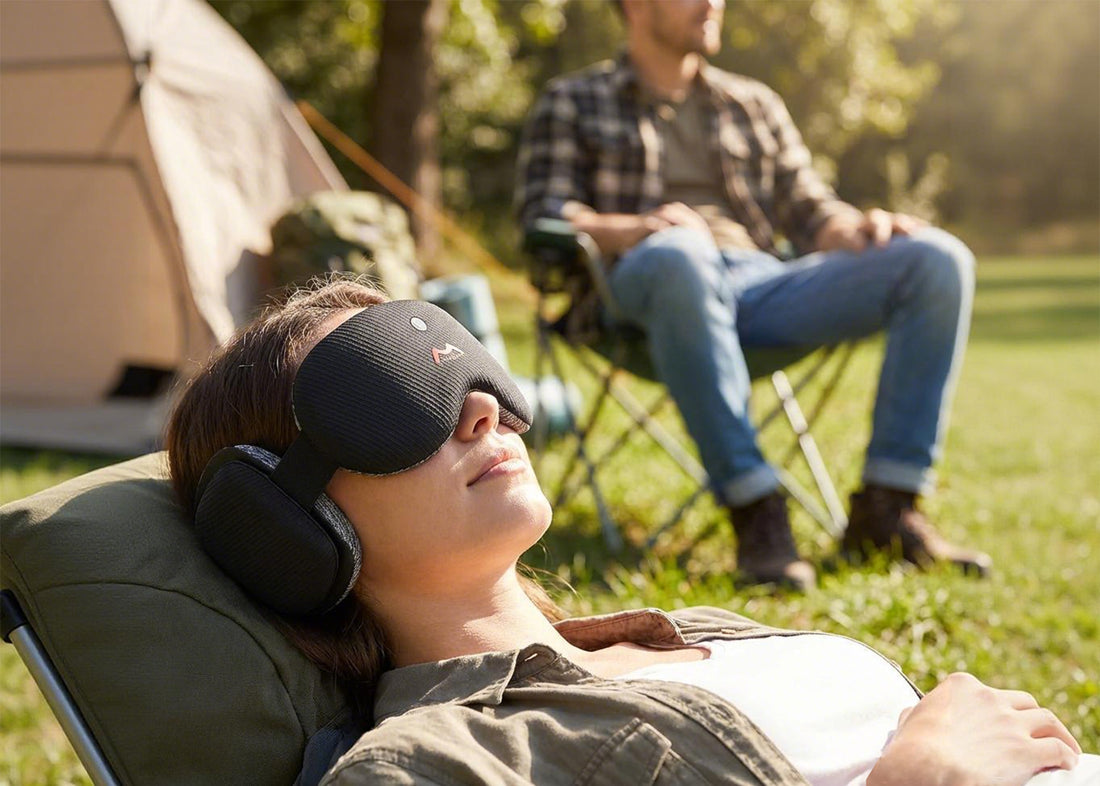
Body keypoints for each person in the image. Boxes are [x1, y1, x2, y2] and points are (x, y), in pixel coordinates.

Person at [165, 278, 1095, 786]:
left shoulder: (693, 633)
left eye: (459, 367)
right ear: (281, 527)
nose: (482, 410)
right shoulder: (447, 761)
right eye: (391, 398)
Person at [515, 0, 992, 591]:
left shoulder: (752, 103)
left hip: (759, 286)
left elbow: (813, 211)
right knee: (679, 254)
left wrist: (862, 229)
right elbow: (544, 219)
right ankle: (757, 509)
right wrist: (637, 229)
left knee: (937, 259)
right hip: (635, 293)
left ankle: (887, 511)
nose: (713, 2)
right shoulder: (572, 101)